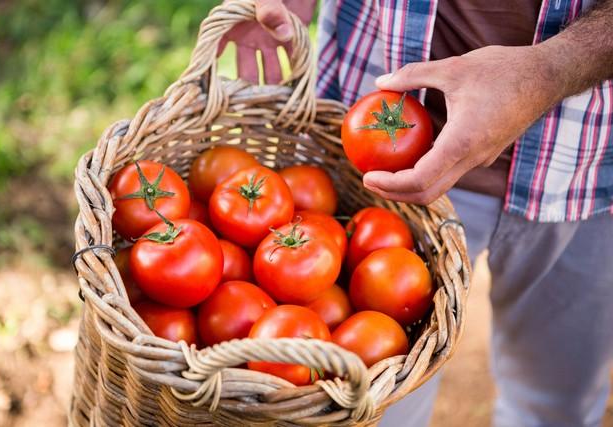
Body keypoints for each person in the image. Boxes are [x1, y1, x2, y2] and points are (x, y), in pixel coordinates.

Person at [223, 0, 613, 426]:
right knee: (377, 408)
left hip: (586, 163)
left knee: (557, 408)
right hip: (372, 151)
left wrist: (551, 68)